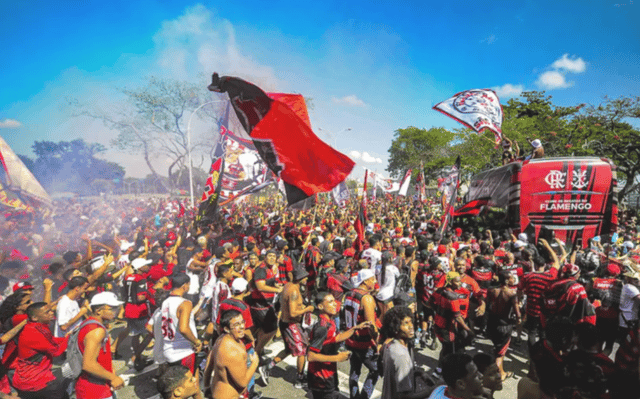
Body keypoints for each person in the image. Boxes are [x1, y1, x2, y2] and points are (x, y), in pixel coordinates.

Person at [308, 291, 371, 399]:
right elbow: (311, 356)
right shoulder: (322, 328)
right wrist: (338, 357)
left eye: (334, 301)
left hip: (329, 374)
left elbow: (335, 338)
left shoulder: (330, 321)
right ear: (320, 306)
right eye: (330, 302)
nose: (335, 304)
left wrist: (354, 328)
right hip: (321, 378)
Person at [260, 266, 314, 388]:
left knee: (288, 349)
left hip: (287, 324)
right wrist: (307, 309)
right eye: (305, 277)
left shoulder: (289, 286)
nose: (306, 279)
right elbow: (293, 313)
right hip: (291, 325)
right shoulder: (294, 291)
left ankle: (267, 367)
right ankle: (300, 379)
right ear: (300, 278)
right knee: (302, 351)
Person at [13, 302, 69, 399]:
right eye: (47, 312)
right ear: (34, 318)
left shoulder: (38, 326)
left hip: (28, 379)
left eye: (51, 310)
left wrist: (65, 339)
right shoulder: (33, 332)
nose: (51, 313)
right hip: (35, 381)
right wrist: (69, 338)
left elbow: (51, 339)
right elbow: (56, 351)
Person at [76, 292, 125, 399]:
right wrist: (114, 378)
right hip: (96, 390)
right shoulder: (97, 331)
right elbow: (88, 364)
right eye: (112, 308)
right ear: (98, 311)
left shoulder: (88, 323)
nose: (116, 311)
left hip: (94, 386)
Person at [380, 306, 433, 399]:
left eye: (410, 322)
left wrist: (418, 373)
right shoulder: (401, 355)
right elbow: (406, 397)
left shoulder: (389, 345)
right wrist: (432, 390)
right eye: (405, 323)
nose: (411, 326)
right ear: (395, 328)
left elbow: (395, 373)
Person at [343, 269, 381, 399]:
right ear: (365, 281)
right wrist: (377, 342)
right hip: (364, 343)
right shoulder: (367, 298)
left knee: (354, 371)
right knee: (376, 370)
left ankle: (354, 397)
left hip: (350, 339)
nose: (375, 281)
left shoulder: (349, 293)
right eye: (373, 279)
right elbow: (371, 325)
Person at [208, 310, 259, 399]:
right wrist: (255, 363)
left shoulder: (221, 339)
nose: (242, 327)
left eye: (242, 322)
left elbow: (209, 364)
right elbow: (242, 383)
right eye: (236, 325)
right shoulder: (231, 351)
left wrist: (206, 385)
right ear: (227, 329)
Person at [161, 273, 202, 375]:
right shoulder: (185, 303)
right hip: (184, 352)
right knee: (189, 384)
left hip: (168, 350)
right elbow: (183, 329)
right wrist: (196, 342)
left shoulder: (165, 302)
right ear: (185, 286)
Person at [485, 271, 520, 381]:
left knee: (497, 348)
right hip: (504, 325)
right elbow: (517, 313)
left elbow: (488, 304)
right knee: (500, 353)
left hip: (492, 323)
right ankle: (500, 374)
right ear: (506, 280)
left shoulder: (491, 290)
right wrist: (519, 321)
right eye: (511, 278)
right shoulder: (511, 293)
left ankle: (499, 371)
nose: (513, 280)